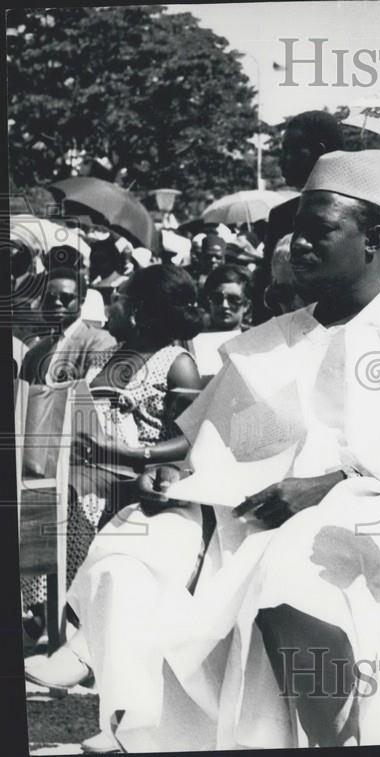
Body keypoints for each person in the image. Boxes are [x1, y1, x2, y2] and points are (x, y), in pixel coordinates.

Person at [71, 150, 380, 751]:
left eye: (319, 231)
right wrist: (171, 472)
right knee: (129, 550)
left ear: (373, 239)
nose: (298, 244)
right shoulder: (279, 334)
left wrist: (325, 484)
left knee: (296, 564)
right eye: (295, 231)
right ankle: (145, 726)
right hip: (248, 513)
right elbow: (222, 443)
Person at [22, 265, 205, 753]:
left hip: (141, 494)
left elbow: (191, 439)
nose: (110, 308)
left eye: (120, 300)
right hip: (94, 484)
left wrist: (130, 456)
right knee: (108, 606)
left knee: (127, 606)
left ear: (144, 307)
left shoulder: (177, 362)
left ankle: (115, 707)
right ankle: (114, 715)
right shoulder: (118, 354)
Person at [253, 110, 345, 325]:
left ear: (319, 153)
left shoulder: (285, 216)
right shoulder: (281, 215)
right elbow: (267, 296)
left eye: (290, 150)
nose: (281, 160)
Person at [19, 267, 117, 386]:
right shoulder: (35, 352)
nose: (57, 302)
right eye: (50, 297)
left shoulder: (99, 342)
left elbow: (94, 397)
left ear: (81, 302)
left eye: (66, 298)